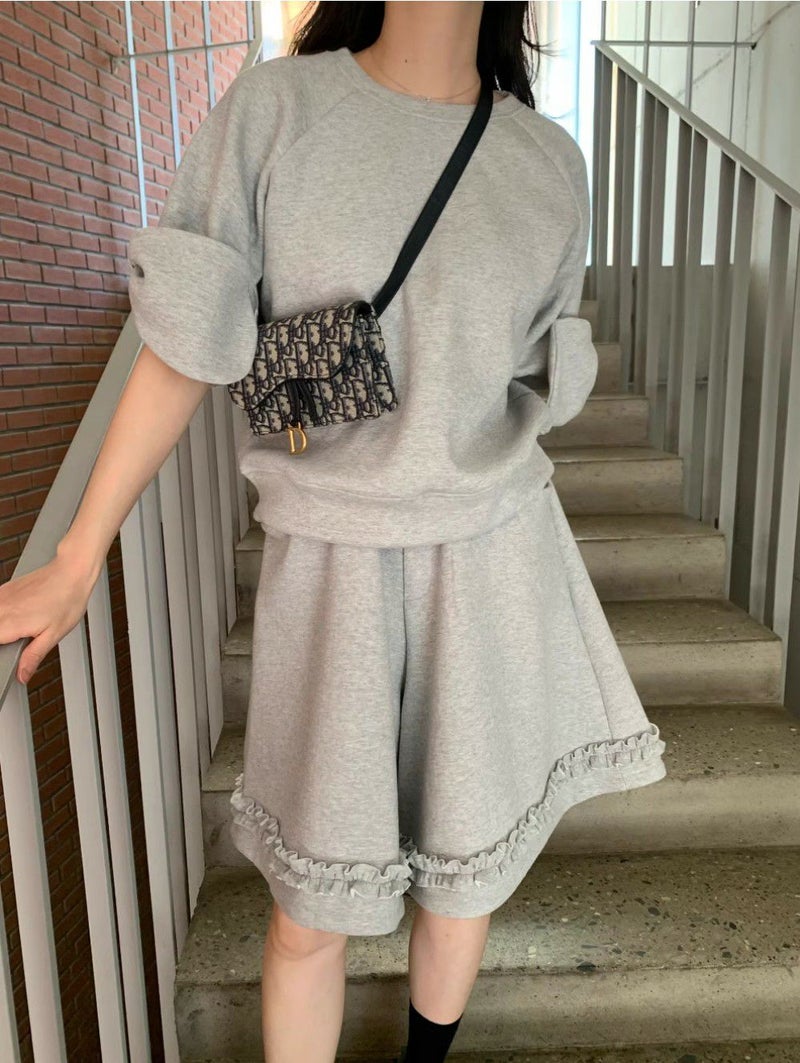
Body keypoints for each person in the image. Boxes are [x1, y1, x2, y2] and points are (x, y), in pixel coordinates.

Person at [0, 3, 668, 1061]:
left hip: (496, 553)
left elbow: (532, 374)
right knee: (308, 913)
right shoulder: (276, 110)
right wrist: (78, 552)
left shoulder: (548, 162)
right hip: (329, 565)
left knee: (463, 879)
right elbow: (186, 336)